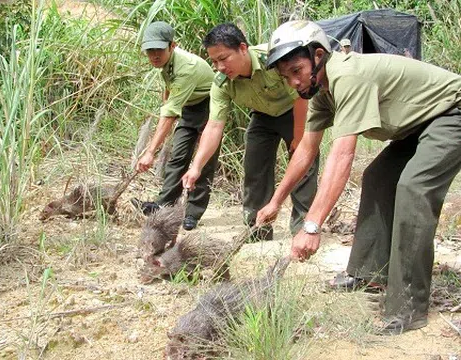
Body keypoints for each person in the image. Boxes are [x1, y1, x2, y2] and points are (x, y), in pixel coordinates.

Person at [256, 20, 461, 334]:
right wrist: (275, 201)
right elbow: (306, 150)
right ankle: (370, 273)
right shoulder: (321, 93)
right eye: (287, 77)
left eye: (297, 71)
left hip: (452, 110)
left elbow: (342, 156)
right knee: (378, 177)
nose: (294, 82)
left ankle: (408, 307)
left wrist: (312, 225)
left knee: (413, 188)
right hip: (422, 123)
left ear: (319, 55)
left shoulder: (347, 76)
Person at [181, 23, 320, 240]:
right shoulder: (222, 84)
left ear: (243, 48)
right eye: (214, 61)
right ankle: (258, 231)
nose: (219, 66)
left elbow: (301, 97)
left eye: (224, 58)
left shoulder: (273, 59)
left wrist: (299, 137)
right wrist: (196, 167)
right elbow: (214, 126)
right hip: (262, 117)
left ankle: (302, 229)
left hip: (294, 111)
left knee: (304, 165)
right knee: (254, 169)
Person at [135, 21, 220, 231]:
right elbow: (169, 92)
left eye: (159, 50)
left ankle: (192, 214)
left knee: (204, 160)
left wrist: (150, 152)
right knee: (178, 157)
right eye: (150, 51)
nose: (154, 55)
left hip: (212, 106)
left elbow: (170, 114)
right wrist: (167, 103)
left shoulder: (186, 68)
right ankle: (164, 206)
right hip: (190, 107)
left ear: (172, 46)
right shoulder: (165, 64)